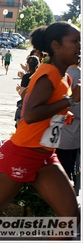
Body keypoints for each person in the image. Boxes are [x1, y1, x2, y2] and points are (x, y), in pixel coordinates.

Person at [0, 21, 81, 240]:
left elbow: (46, 114)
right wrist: (68, 102)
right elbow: (31, 113)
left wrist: (62, 114)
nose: (79, 46)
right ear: (56, 45)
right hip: (20, 154)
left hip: (45, 157)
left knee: (69, 216)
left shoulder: (64, 78)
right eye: (74, 41)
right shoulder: (48, 75)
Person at [56, 63, 81, 192]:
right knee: (73, 170)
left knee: (63, 176)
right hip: (74, 135)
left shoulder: (66, 76)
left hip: (63, 135)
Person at [15, 55, 40, 127]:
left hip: (25, 105)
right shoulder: (39, 76)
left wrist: (18, 89)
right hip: (36, 105)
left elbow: (22, 93)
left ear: (28, 65)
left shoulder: (26, 77)